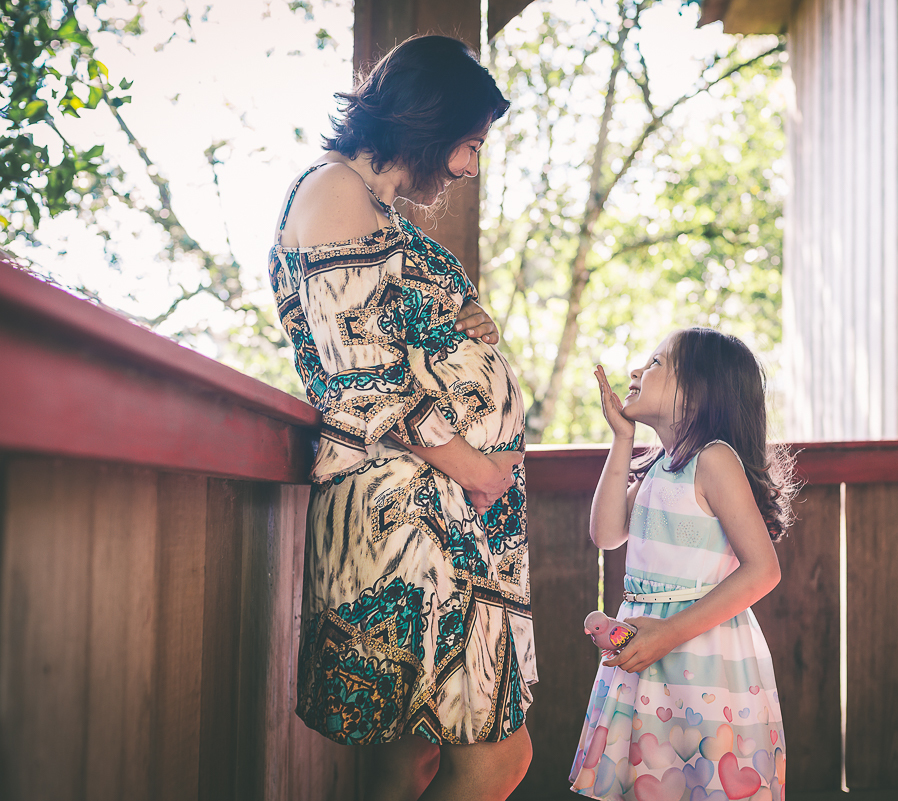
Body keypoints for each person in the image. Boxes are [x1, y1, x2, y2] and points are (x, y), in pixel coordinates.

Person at [268, 35, 534, 801]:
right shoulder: (334, 191)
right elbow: (363, 377)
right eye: (469, 143)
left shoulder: (369, 207)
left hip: (438, 507)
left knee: (409, 757)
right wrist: (477, 468)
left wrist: (464, 317)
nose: (469, 167)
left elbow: (395, 329)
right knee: (497, 758)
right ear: (429, 120)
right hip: (409, 515)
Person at [569, 327, 796, 800]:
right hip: (647, 654)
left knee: (703, 778)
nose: (636, 370)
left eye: (655, 363)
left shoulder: (714, 460)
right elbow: (606, 533)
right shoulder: (661, 465)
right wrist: (622, 439)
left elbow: (763, 570)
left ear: (697, 391)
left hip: (700, 656)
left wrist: (669, 634)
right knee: (654, 779)